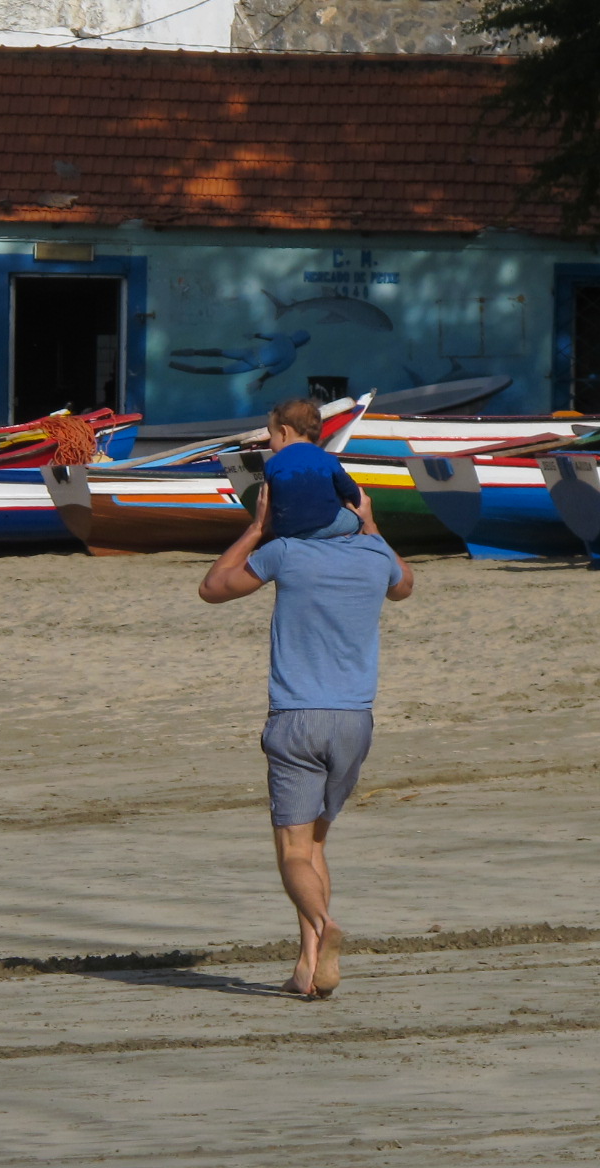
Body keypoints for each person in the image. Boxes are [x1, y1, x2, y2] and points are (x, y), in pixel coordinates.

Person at [197, 465, 414, 999]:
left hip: (296, 719)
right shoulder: (374, 555)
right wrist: (373, 526)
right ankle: (309, 967)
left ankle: (323, 924)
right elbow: (405, 587)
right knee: (316, 845)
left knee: (292, 851)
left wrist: (255, 528)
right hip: (354, 722)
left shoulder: (285, 552)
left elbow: (212, 588)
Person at [263, 397, 362, 541]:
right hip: (326, 526)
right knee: (354, 520)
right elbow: (351, 490)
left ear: (284, 432)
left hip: (286, 531)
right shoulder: (327, 458)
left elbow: (269, 499)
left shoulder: (271, 463)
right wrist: (353, 502)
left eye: (272, 436)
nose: (270, 444)